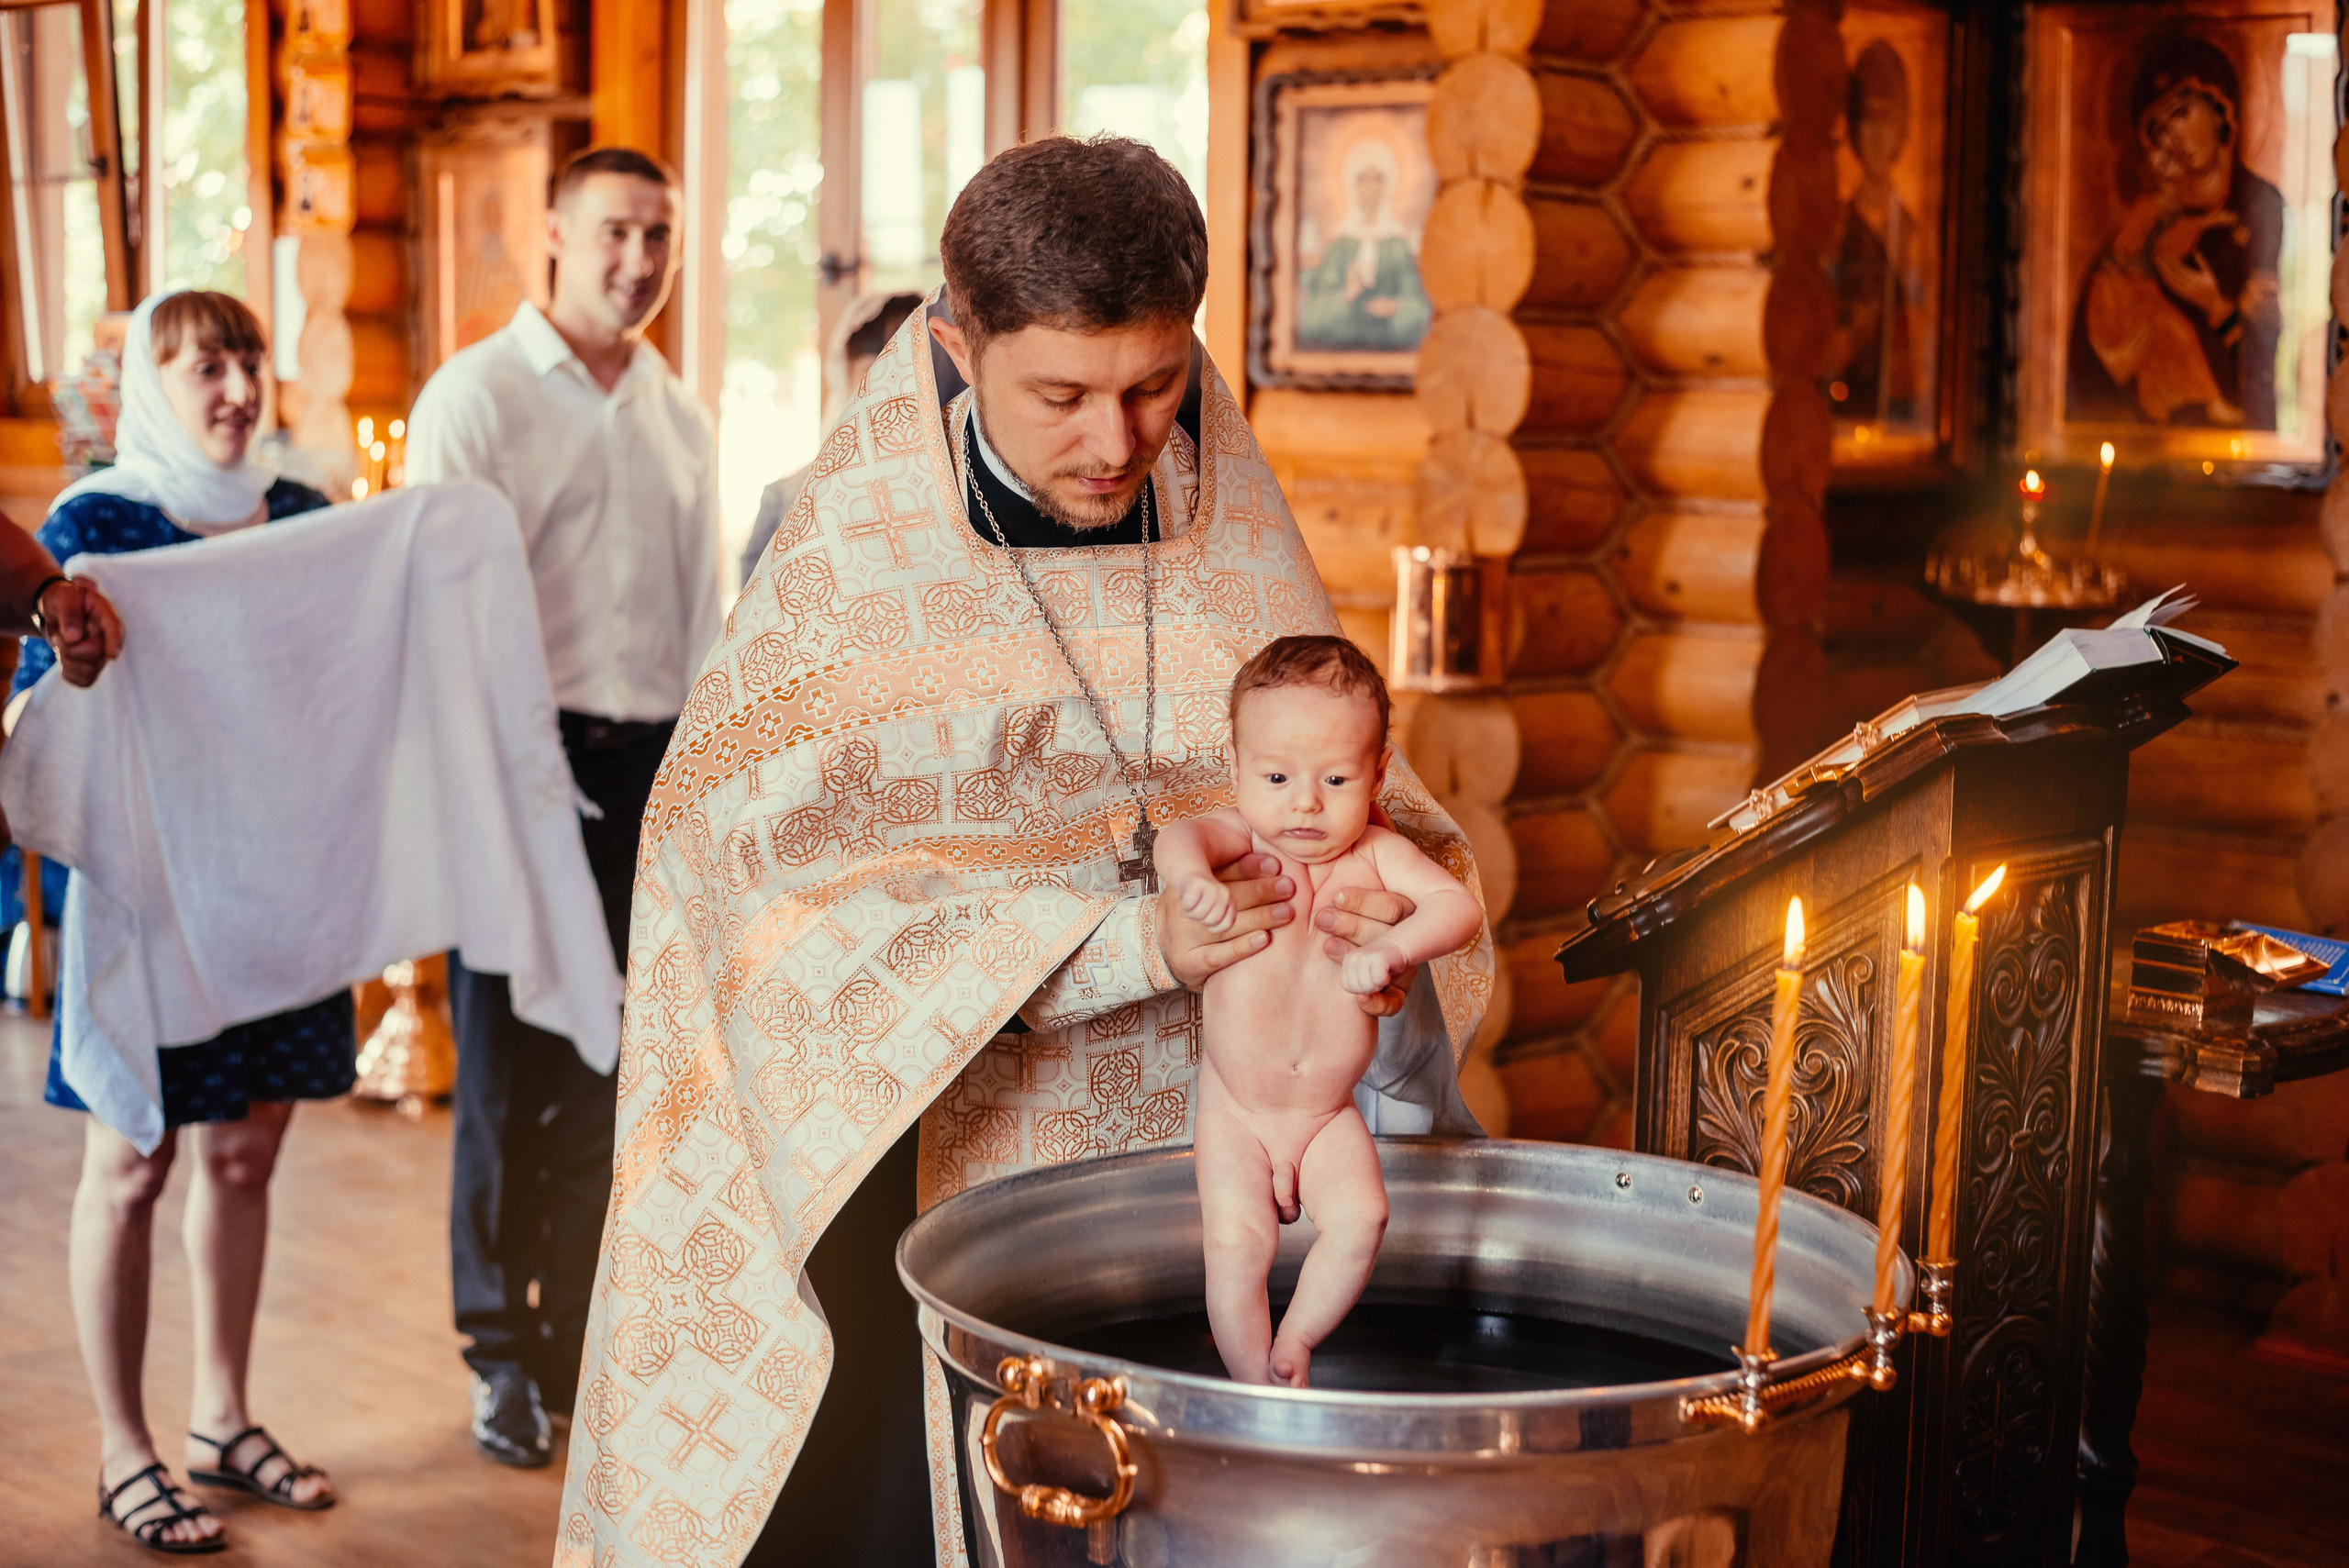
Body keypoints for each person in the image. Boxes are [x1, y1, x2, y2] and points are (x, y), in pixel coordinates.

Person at [553, 134, 1492, 1568]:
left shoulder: (1228, 529)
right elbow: (760, 898)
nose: (1116, 444)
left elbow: (1385, 813)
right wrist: (1130, 939)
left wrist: (1359, 918)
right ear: (955, 342)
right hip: (927, 1183)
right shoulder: (853, 575)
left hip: (1202, 1165)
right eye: (1060, 395)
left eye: (1155, 388)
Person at [405, 145, 722, 1469]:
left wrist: (701, 790)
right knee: (502, 1069)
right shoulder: (471, 399)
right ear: (552, 232)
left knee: (613, 1077)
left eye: (659, 236)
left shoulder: (678, 411)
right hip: (515, 774)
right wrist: (479, 790)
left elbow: (703, 624)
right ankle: (494, 1349)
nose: (638, 261)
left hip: (648, 771)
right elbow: (434, 613)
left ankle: (575, 1343)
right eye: (613, 233)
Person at [18, 289, 340, 1554]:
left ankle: (222, 1417)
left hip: (284, 878)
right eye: (206, 365)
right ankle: (124, 1449)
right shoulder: (91, 522)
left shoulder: (307, 513)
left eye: (249, 361)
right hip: (154, 886)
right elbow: (55, 705)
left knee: (246, 1157)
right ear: (155, 386)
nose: (237, 389)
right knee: (134, 1161)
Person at [1159, 635, 1482, 1387]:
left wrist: (1396, 946)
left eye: (1335, 777)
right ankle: (1250, 1383)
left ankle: (1294, 1342)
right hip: (1236, 1111)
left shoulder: (1373, 853)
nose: (1304, 801)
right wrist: (1189, 881)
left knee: (1364, 1217)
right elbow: (1180, 837)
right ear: (1236, 766)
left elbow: (1457, 907)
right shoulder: (1238, 839)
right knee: (1237, 1246)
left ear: (1377, 772)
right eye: (1275, 775)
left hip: (1328, 1114)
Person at [2068, 34, 2282, 428]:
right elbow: (2084, 382)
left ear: (2220, 108)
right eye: (2161, 128)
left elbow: (2277, 367)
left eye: (2182, 113)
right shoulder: (2148, 221)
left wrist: (2216, 307)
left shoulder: (2264, 211)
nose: (2177, 139)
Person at [738, 288, 923, 584]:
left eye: (908, 367)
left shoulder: (957, 491)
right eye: (873, 371)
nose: (892, 389)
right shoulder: (787, 499)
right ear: (845, 376)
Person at [1827, 40, 1919, 424]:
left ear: (1901, 131)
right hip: (1843, 398)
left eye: (1887, 121)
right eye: (1868, 120)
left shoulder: (1914, 231)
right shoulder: (1838, 226)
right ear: (1854, 130)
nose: (1878, 135)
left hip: (1899, 402)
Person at [1296, 135, 1431, 353]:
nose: (1370, 188)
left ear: (1389, 184)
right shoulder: (1338, 246)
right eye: (1363, 180)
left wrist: (1396, 307)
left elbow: (1421, 307)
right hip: (1340, 352)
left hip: (1392, 349)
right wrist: (1347, 294)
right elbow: (1310, 318)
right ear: (1350, 184)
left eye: (1377, 179)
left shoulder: (1397, 245)